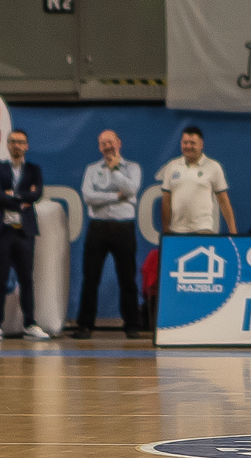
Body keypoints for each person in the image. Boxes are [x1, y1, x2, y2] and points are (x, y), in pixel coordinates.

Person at [74, 129, 145, 340]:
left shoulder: (132, 168)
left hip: (123, 228)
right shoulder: (92, 169)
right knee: (90, 278)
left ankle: (131, 325)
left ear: (119, 143)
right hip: (98, 227)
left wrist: (115, 170)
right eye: (103, 143)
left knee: (127, 278)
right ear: (99, 147)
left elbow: (131, 190)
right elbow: (88, 197)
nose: (107, 146)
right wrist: (116, 196)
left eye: (110, 142)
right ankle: (85, 326)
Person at [0, 129, 48, 341]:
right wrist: (22, 199)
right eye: (13, 142)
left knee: (26, 279)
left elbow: (37, 194)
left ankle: (30, 324)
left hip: (24, 231)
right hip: (3, 230)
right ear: (8, 145)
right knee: (0, 278)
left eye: (20, 142)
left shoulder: (34, 170)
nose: (16, 145)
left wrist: (14, 194)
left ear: (26, 146)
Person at [160, 126, 237, 236]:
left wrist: (233, 231)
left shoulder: (213, 167)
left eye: (192, 143)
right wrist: (166, 229)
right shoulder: (172, 166)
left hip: (203, 229)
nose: (188, 146)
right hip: (177, 230)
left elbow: (224, 201)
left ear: (201, 144)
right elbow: (166, 201)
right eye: (185, 143)